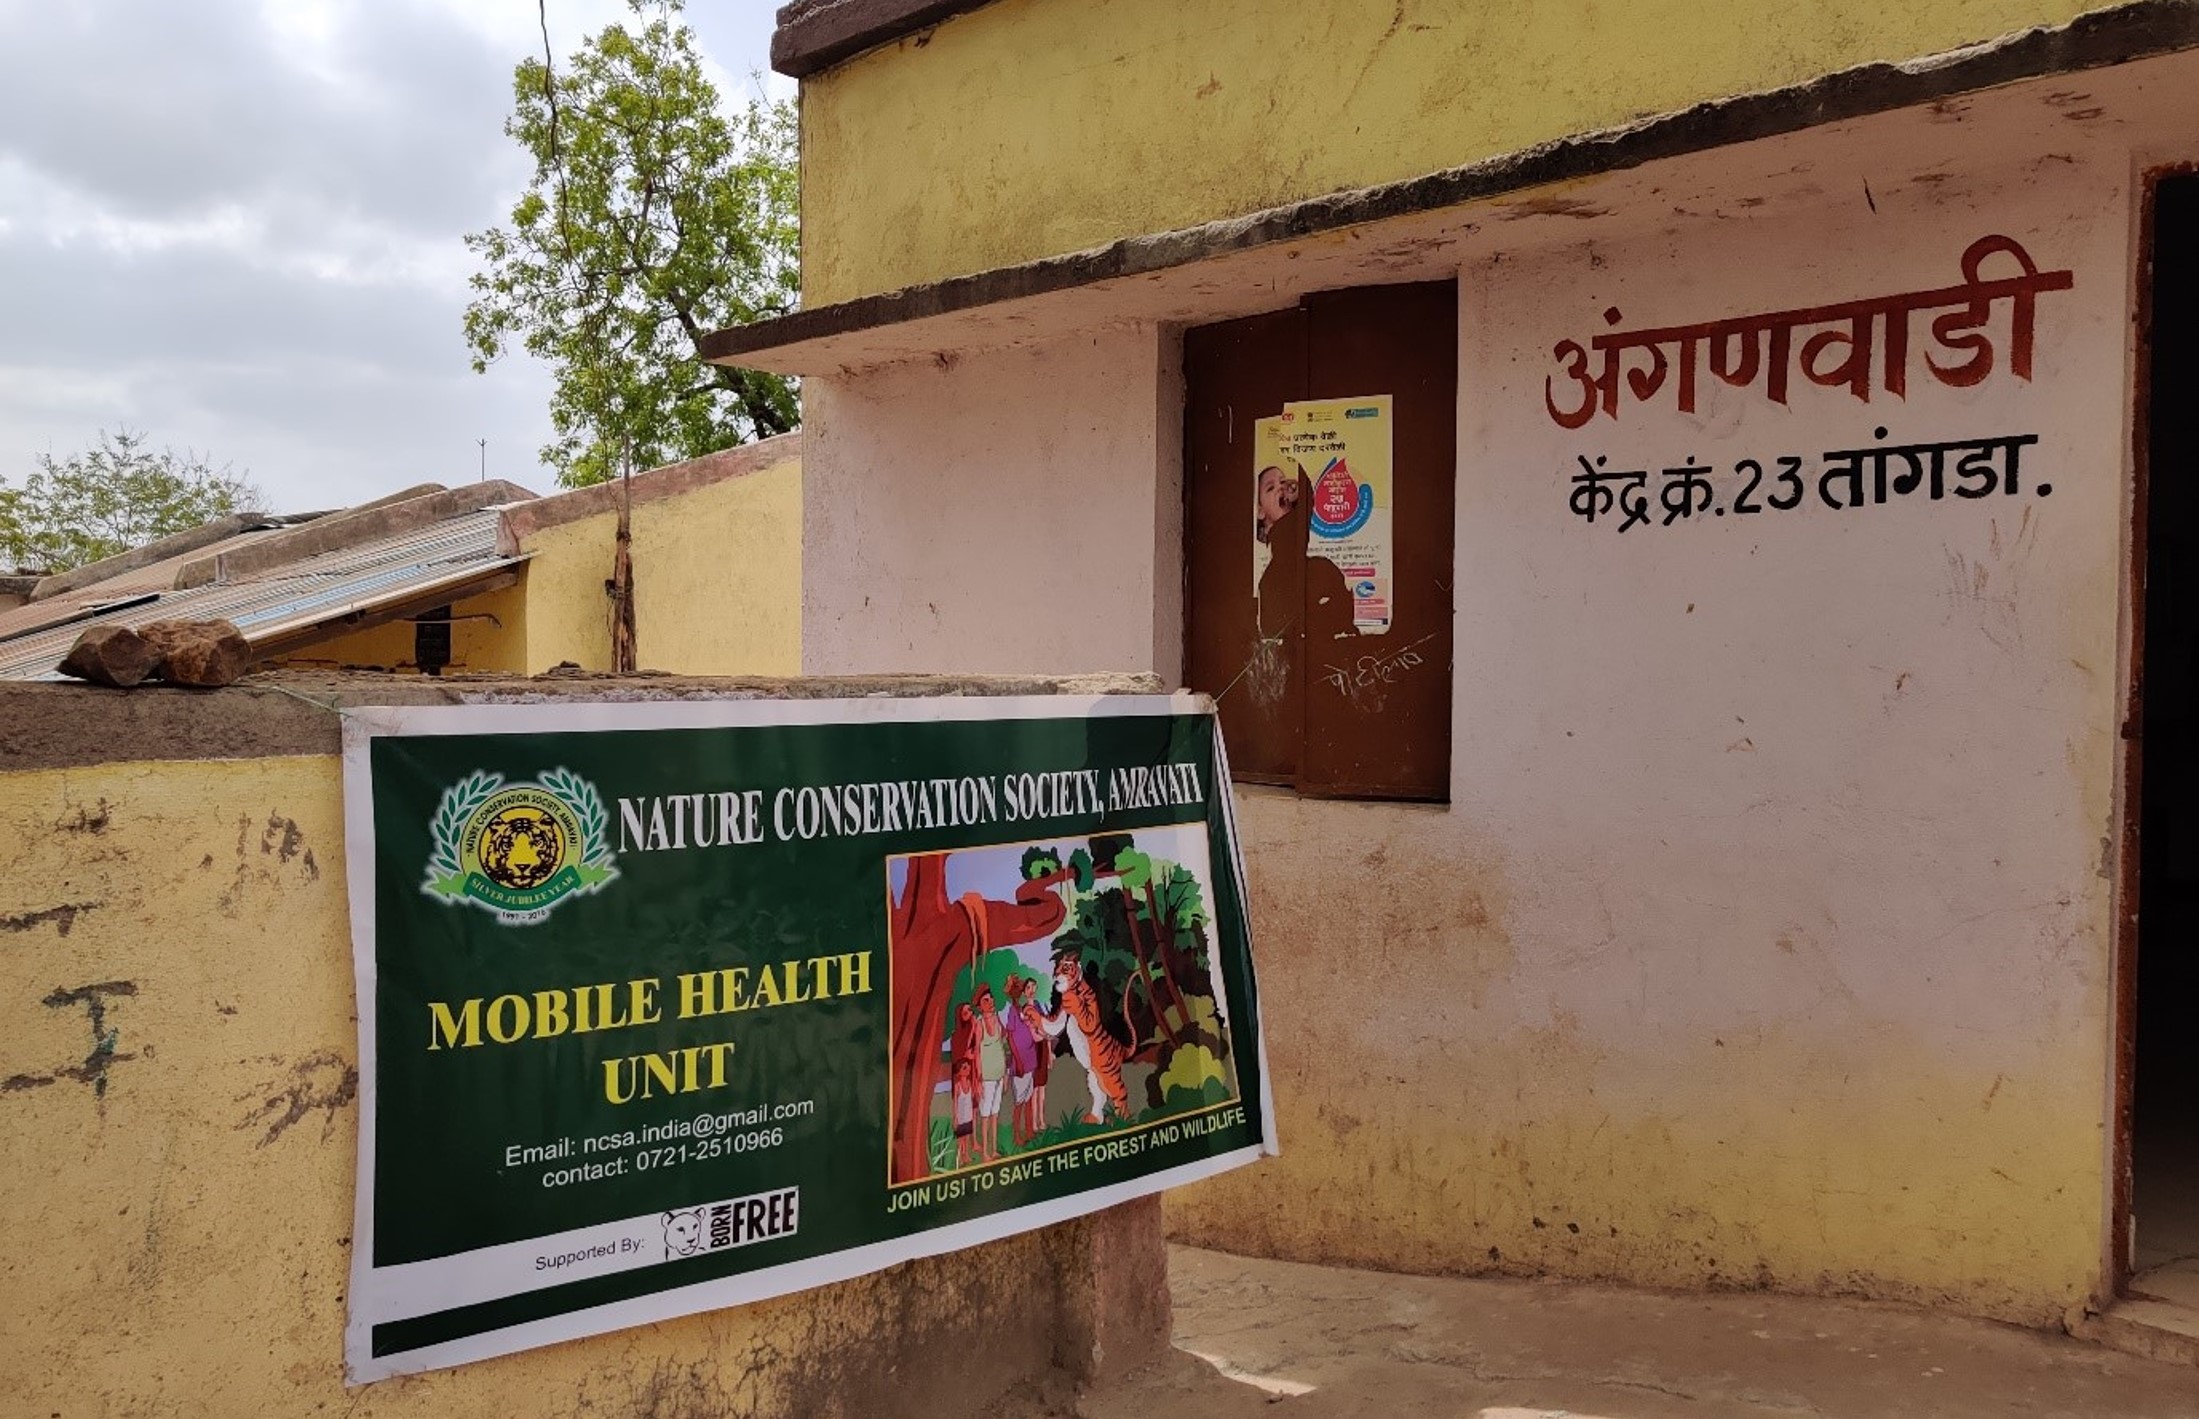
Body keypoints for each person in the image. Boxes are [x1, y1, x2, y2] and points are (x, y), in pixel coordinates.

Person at [1002, 976, 1042, 1146]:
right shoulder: (1012, 1011)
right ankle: (1017, 1134)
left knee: (1028, 1098)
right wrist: (1017, 1060)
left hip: (1031, 1058)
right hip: (1020, 1062)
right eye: (1017, 988)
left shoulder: (1024, 1009)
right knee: (1019, 1101)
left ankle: (1029, 1130)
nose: (1019, 991)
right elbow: (1010, 1036)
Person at [972, 984, 1009, 1162]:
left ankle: (994, 1149)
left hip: (999, 1072)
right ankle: (985, 1152)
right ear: (979, 1005)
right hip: (985, 1076)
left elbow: (1002, 1046)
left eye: (991, 998)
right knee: (985, 1115)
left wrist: (1005, 1073)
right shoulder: (979, 1025)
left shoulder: (997, 1020)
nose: (990, 1002)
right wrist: (978, 1079)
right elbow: (977, 1053)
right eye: (985, 1000)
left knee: (995, 1113)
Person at [950, 1058, 976, 1168]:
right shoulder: (957, 1086)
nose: (968, 1069)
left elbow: (972, 1099)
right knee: (961, 1139)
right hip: (960, 1117)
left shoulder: (970, 1083)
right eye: (964, 1068)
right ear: (959, 1072)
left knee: (967, 1136)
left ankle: (967, 1155)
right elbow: (955, 1102)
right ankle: (960, 1157)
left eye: (968, 1066)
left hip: (968, 1116)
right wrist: (955, 1117)